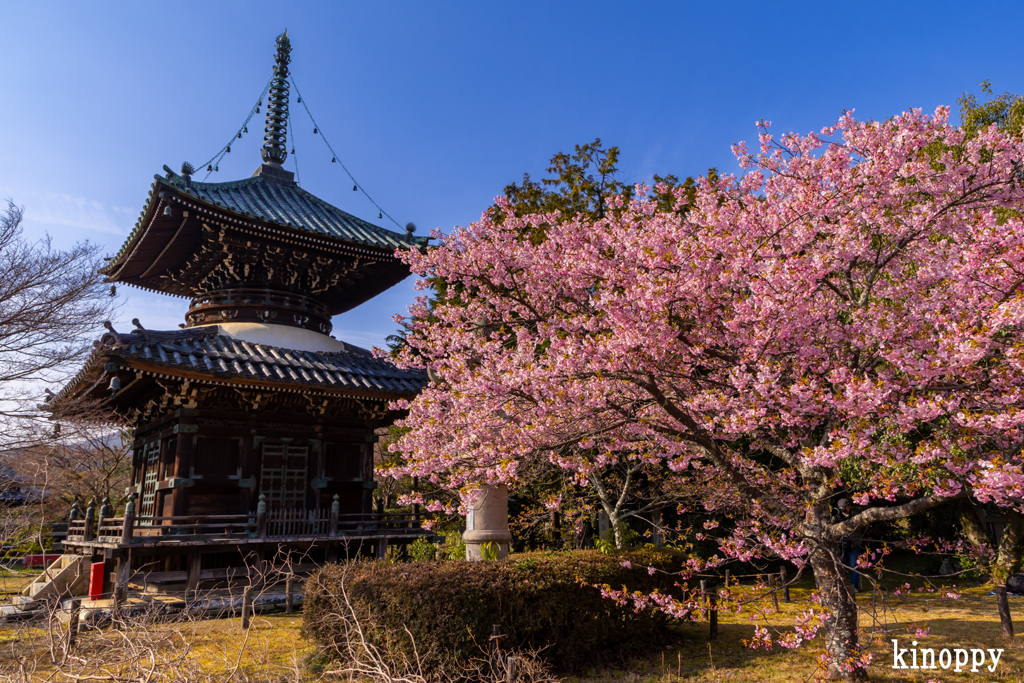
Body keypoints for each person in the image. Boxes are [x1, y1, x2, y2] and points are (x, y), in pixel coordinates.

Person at [835, 498, 863, 593]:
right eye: (841, 507)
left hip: (854, 544)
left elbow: (860, 525)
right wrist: (836, 515)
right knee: (842, 567)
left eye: (845, 507)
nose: (844, 509)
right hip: (841, 544)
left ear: (850, 506)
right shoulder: (837, 515)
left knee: (854, 566)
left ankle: (854, 587)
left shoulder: (856, 514)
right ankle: (843, 586)